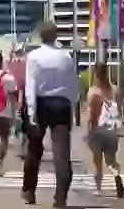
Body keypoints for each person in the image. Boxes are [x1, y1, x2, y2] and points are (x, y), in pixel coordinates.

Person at [21, 23, 80, 208]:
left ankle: (29, 190)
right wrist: (72, 103)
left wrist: (31, 111)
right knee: (62, 153)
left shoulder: (34, 57)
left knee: (34, 149)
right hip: (62, 104)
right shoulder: (66, 57)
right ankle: (60, 196)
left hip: (41, 103)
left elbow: (30, 85)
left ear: (40, 36)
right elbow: (73, 85)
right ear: (56, 36)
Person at [85, 62, 124, 199]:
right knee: (111, 160)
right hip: (111, 129)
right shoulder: (116, 90)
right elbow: (120, 111)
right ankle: (117, 176)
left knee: (98, 163)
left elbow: (91, 116)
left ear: (95, 73)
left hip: (97, 130)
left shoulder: (93, 92)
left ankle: (98, 188)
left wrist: (88, 132)